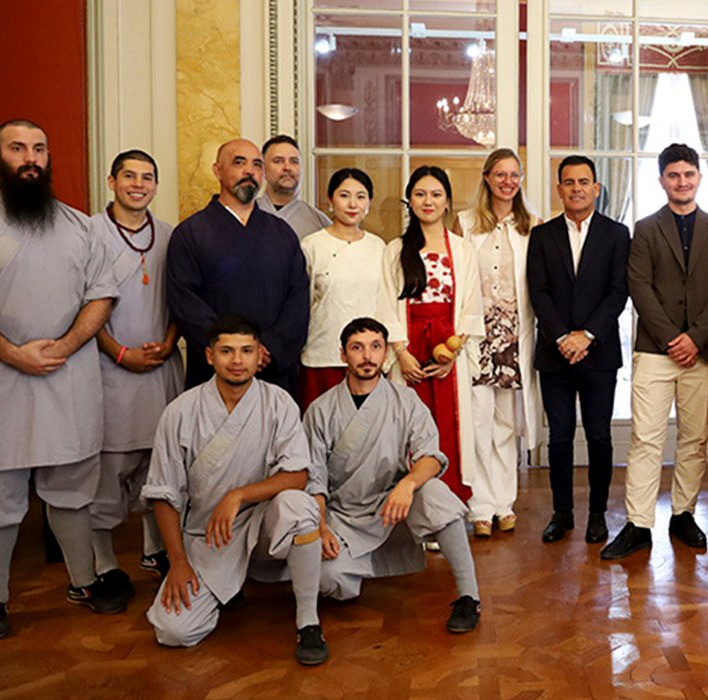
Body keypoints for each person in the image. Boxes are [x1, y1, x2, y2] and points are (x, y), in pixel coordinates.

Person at [0, 119, 125, 641]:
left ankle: (82, 581)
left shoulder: (80, 226)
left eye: (39, 148)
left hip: (68, 376)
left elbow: (101, 296)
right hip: (0, 382)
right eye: (18, 148)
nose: (30, 157)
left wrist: (61, 347)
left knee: (72, 490)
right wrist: (13, 354)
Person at [142, 316, 328, 666]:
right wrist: (178, 563)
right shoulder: (180, 412)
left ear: (260, 356)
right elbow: (162, 494)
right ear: (210, 356)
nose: (237, 360)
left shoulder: (279, 403)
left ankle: (308, 621)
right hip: (209, 537)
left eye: (246, 351)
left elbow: (298, 475)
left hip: (263, 526)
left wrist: (238, 495)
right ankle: (224, 587)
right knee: (173, 631)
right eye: (227, 351)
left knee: (299, 506)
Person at [304, 317, 481, 632]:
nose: (368, 356)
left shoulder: (405, 400)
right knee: (330, 583)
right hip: (342, 517)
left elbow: (431, 457)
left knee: (437, 493)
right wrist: (320, 528)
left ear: (386, 353)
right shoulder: (321, 410)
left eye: (375, 347)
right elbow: (313, 479)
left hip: (392, 507)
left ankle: (469, 596)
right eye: (357, 348)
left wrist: (407, 484)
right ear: (343, 355)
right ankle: (356, 566)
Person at [603, 143, 708, 560]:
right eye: (673, 175)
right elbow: (639, 287)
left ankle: (684, 514)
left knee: (694, 439)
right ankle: (639, 524)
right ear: (662, 180)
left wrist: (695, 337)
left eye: (688, 175)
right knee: (645, 439)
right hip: (656, 351)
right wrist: (672, 339)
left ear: (698, 178)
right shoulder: (644, 229)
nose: (682, 181)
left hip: (704, 349)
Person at [90, 149, 184, 591]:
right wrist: (119, 353)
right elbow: (78, 307)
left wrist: (169, 341)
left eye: (148, 177)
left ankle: (155, 550)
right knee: (111, 469)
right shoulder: (88, 234)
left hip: (161, 365)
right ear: (112, 181)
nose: (138, 184)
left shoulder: (169, 235)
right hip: (108, 370)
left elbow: (180, 297)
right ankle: (104, 561)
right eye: (129, 176)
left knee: (159, 463)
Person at [527, 155, 630, 544]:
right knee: (560, 437)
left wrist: (586, 335)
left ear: (596, 188)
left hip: (598, 353)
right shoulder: (542, 235)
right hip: (555, 354)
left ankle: (598, 515)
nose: (576, 189)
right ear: (559, 190)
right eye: (568, 182)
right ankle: (562, 512)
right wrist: (561, 337)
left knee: (600, 437)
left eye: (583, 182)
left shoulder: (617, 234)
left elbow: (619, 292)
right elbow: (538, 292)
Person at [166, 138, 309, 395]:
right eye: (239, 162)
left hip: (273, 368)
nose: (249, 172)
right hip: (214, 371)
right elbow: (184, 301)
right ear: (217, 171)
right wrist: (232, 352)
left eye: (256, 165)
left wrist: (269, 349)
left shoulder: (282, 233)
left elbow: (298, 298)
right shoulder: (190, 233)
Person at [380, 166, 485, 505]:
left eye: (436, 194)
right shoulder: (395, 249)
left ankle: (449, 502)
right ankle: (411, 506)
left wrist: (453, 353)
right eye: (420, 194)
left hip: (447, 346)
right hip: (409, 347)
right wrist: (401, 353)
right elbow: (384, 301)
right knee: (408, 426)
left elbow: (471, 305)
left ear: (447, 202)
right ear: (409, 200)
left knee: (448, 425)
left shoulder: (463, 250)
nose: (428, 201)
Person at [459, 149, 541, 537]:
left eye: (515, 175)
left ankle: (504, 504)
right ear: (487, 177)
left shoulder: (533, 227)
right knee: (477, 423)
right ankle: (479, 506)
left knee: (507, 425)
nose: (508, 181)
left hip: (514, 337)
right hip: (478, 337)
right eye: (500, 174)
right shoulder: (464, 223)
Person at [298, 168, 386, 408]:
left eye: (361, 197)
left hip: (369, 360)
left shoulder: (378, 247)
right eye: (344, 195)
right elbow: (301, 305)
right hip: (322, 356)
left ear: (368, 203)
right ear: (330, 199)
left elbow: (385, 304)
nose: (352, 204)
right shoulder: (312, 245)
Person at [255, 134, 331, 240]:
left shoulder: (320, 224)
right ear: (262, 169)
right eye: (278, 161)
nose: (287, 167)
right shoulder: (245, 216)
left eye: (294, 161)